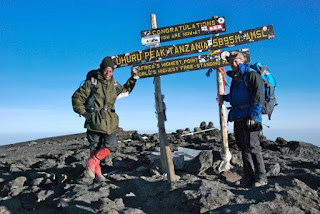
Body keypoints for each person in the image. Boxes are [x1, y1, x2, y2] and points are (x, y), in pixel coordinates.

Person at [72, 56, 137, 182]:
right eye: (106, 70)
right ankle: (98, 175)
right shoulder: (92, 83)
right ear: (101, 69)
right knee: (95, 146)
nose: (108, 73)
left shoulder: (114, 85)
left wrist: (133, 77)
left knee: (111, 145)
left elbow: (125, 91)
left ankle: (91, 162)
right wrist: (85, 114)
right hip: (94, 120)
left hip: (110, 121)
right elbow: (76, 98)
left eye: (111, 71)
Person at [223, 51, 267, 187]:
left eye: (235, 61)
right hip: (238, 116)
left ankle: (261, 178)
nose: (233, 64)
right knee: (243, 148)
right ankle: (249, 177)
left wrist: (253, 116)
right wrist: (224, 97)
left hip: (250, 117)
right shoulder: (236, 78)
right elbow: (236, 97)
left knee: (253, 147)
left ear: (242, 61)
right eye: (231, 62)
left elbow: (258, 96)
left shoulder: (251, 74)